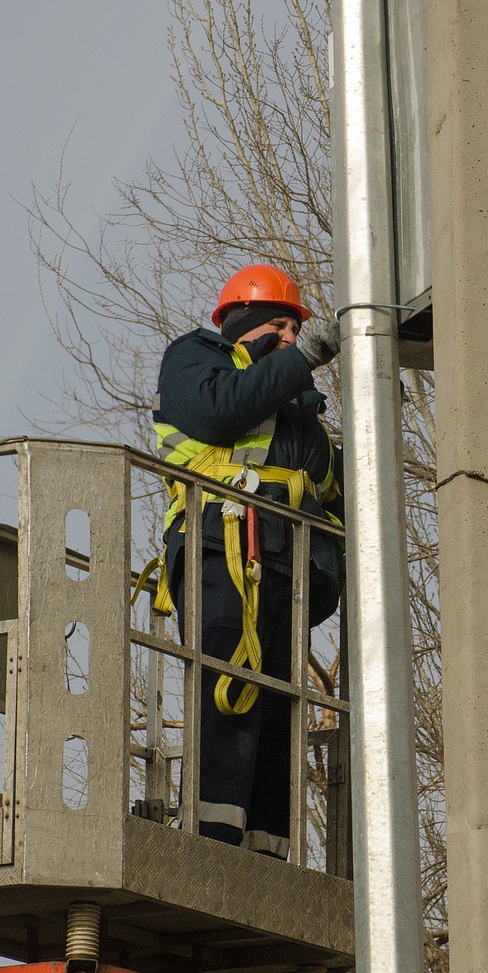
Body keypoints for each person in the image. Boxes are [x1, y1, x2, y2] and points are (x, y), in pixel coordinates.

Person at [153, 263, 344, 855]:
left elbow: (330, 485)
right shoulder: (195, 360)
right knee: (227, 695)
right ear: (246, 324)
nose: (292, 342)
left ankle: (268, 852)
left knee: (278, 717)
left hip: (285, 567)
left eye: (298, 333)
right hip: (220, 552)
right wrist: (300, 361)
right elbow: (218, 412)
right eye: (283, 328)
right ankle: (211, 842)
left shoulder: (296, 410)